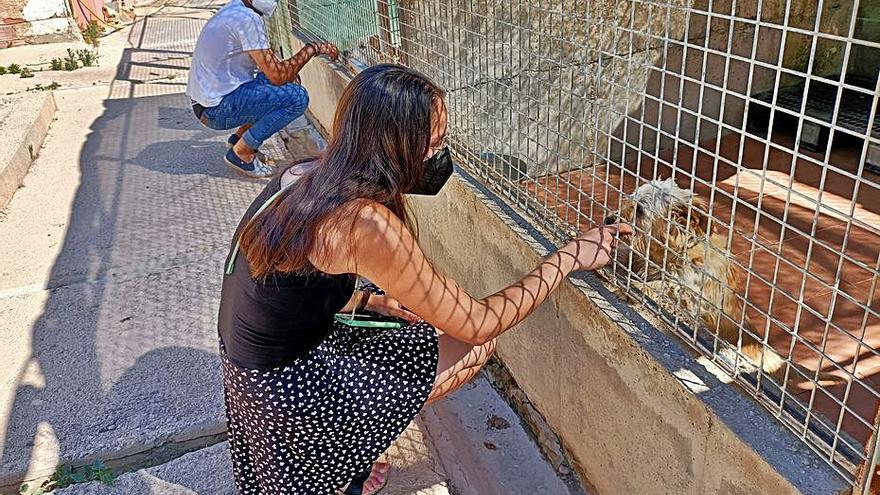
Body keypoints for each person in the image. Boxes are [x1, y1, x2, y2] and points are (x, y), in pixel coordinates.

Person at [218, 64, 632, 494]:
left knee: (409, 322)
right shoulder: (363, 222)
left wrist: (364, 302)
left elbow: (279, 290)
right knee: (475, 346)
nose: (439, 156)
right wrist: (567, 258)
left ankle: (351, 451)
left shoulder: (307, 173)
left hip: (251, 375)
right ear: (393, 147)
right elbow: (478, 321)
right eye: (434, 145)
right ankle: (344, 457)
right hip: (289, 400)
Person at [186, 0, 339, 178]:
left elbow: (279, 74)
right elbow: (278, 75)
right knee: (298, 98)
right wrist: (312, 49)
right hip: (214, 111)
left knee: (289, 82)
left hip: (208, 102)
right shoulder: (246, 19)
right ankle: (241, 153)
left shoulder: (237, 9)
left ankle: (239, 139)